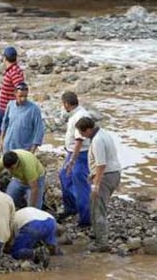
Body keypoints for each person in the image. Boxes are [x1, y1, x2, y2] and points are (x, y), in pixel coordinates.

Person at [75, 117, 121, 252]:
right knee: (95, 205)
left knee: (98, 209)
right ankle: (97, 235)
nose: (82, 136)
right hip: (113, 174)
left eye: (83, 133)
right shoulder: (103, 133)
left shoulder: (97, 141)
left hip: (106, 176)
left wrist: (96, 185)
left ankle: (102, 243)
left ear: (88, 130)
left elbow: (101, 164)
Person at [58, 92, 91, 227]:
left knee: (81, 187)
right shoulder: (76, 114)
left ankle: (86, 220)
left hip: (79, 155)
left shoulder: (79, 116)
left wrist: (72, 161)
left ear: (66, 103)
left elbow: (79, 140)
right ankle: (71, 208)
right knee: (64, 176)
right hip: (73, 153)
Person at [0, 47, 24, 153]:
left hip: (7, 108)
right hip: (7, 107)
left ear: (4, 58)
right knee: (2, 131)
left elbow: (20, 88)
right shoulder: (14, 69)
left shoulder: (13, 72)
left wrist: (17, 104)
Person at [0, 82, 44, 153]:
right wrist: (1, 140)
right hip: (8, 146)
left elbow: (39, 130)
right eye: (20, 96)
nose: (23, 99)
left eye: (25, 96)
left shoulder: (34, 109)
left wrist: (32, 150)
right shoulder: (10, 105)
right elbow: (4, 123)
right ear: (15, 94)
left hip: (23, 150)